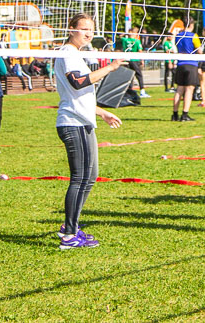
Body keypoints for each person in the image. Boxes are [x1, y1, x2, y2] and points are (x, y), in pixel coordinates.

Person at [55, 13, 123, 250]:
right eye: (83, 29)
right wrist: (110, 68)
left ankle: (69, 227)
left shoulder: (76, 54)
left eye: (91, 30)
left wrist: (102, 112)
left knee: (90, 177)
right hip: (73, 123)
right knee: (80, 178)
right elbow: (78, 82)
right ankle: (69, 235)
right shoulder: (68, 53)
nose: (88, 33)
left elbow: (78, 95)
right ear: (71, 29)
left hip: (83, 120)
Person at [173, 20, 201, 122]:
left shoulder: (178, 36)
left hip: (180, 64)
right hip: (191, 64)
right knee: (189, 90)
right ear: (192, 25)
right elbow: (200, 50)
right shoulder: (194, 36)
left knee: (179, 90)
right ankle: (185, 114)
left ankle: (174, 114)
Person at [118, 27, 150, 99]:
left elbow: (120, 36)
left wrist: (125, 34)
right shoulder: (137, 41)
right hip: (134, 59)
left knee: (129, 76)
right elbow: (140, 50)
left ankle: (130, 91)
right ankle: (142, 90)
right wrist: (142, 60)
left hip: (127, 60)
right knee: (139, 75)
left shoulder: (125, 40)